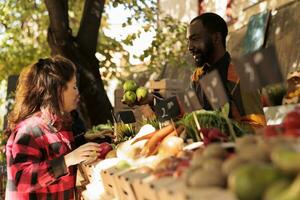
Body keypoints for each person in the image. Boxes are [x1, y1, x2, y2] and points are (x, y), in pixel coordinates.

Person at [5, 56, 101, 199]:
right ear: (58, 90)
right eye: (74, 86)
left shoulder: (63, 125)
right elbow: (22, 179)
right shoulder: (28, 130)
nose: (77, 92)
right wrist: (67, 160)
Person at [187, 12, 266, 127]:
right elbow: (190, 117)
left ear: (216, 38)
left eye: (195, 39)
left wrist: (229, 128)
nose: (189, 47)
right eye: (188, 41)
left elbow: (259, 127)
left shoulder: (241, 74)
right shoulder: (196, 76)